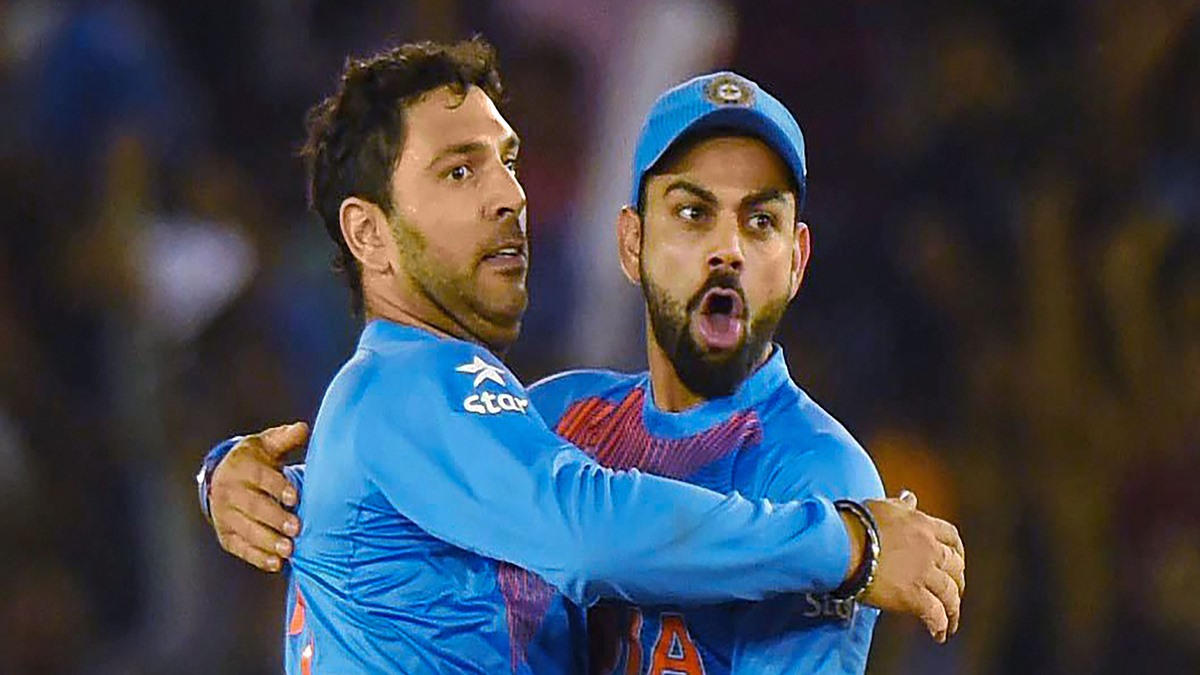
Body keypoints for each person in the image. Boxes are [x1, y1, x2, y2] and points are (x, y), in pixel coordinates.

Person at [197, 39, 965, 673]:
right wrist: (850, 546)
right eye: (693, 213)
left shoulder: (817, 470)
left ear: (797, 260)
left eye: (759, 221)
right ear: (631, 242)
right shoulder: (544, 411)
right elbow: (580, 525)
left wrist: (244, 480)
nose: (510, 195)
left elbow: (392, 500)